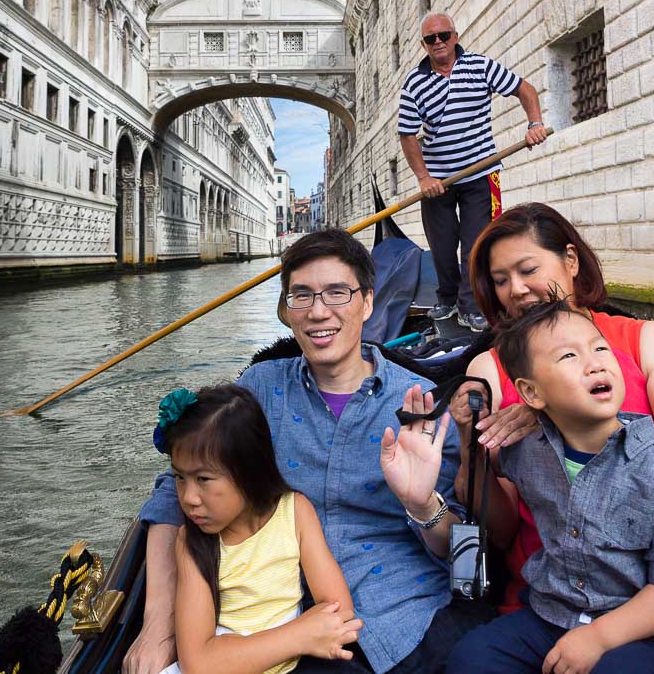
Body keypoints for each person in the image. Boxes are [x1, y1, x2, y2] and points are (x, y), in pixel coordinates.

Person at [123, 230, 491, 674]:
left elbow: (462, 553)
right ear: (286, 310)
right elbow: (174, 488)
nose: (319, 312)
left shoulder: (422, 404)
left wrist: (421, 503)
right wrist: (158, 624)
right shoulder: (258, 389)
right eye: (302, 295)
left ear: (368, 302)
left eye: (337, 292)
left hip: (407, 613)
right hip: (285, 621)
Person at [451, 202, 654, 612]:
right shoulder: (488, 371)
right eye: (500, 280)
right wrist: (467, 446)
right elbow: (504, 530)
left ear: (571, 261)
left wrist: (557, 409)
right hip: (540, 599)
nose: (516, 290)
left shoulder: (644, 341)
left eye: (528, 271)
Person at [447, 297, 654, 673]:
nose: (595, 363)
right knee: (472, 658)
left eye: (599, 348)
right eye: (568, 357)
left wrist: (599, 638)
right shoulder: (527, 449)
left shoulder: (651, 464)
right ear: (531, 393)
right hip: (549, 614)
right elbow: (481, 492)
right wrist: (468, 437)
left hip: (633, 626)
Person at [151, 383, 361, 674]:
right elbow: (198, 662)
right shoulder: (193, 542)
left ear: (248, 470)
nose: (188, 498)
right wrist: (299, 636)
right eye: (179, 478)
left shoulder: (295, 511)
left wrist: (303, 636)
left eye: (203, 479)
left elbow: (340, 610)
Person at [398, 12, 547, 332]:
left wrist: (534, 122)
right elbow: (408, 135)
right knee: (441, 246)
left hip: (481, 172)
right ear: (424, 44)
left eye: (444, 35)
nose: (438, 42)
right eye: (430, 39)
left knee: (477, 243)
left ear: (455, 36)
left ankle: (470, 305)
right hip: (438, 180)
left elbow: (525, 89)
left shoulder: (480, 66)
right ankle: (448, 297)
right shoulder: (414, 82)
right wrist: (424, 177)